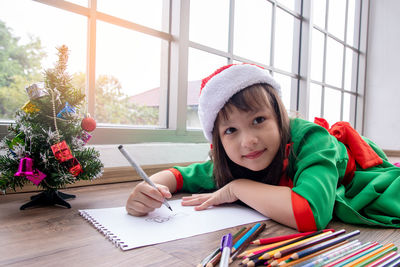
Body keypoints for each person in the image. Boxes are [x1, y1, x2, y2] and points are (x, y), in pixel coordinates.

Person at [126, 63, 400, 231]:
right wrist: (150, 189)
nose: (248, 141)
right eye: (230, 130)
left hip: (354, 169)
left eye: (258, 120)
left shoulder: (311, 139)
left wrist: (237, 188)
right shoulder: (235, 158)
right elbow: (179, 175)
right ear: (218, 143)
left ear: (279, 117)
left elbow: (309, 213)